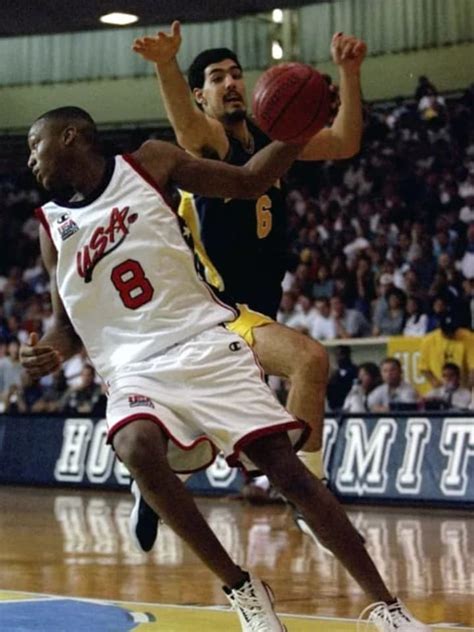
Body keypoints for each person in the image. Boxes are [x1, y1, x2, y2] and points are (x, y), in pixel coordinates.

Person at [21, 106, 429, 631]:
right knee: (133, 446)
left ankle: (386, 607)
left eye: (36, 144)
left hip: (202, 339)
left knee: (287, 471)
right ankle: (242, 588)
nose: (30, 159)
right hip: (132, 369)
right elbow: (65, 325)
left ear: (71, 135)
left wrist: (298, 129)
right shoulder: (52, 226)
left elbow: (250, 181)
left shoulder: (151, 162)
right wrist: (50, 351)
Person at [130, 22, 367, 541]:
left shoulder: (269, 144)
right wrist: (167, 65)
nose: (231, 83)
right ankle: (311, 493)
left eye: (236, 74)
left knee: (223, 433)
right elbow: (187, 127)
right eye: (216, 78)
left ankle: (156, 483)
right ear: (201, 95)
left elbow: (345, 142)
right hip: (214, 312)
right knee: (309, 360)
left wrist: (349, 74)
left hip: (256, 311)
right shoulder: (207, 146)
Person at [419, 312, 474, 389]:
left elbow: (473, 369)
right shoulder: (428, 341)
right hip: (438, 387)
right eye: (446, 332)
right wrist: (437, 385)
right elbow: (424, 368)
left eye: (452, 331)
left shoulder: (469, 337)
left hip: (462, 387)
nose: (450, 334)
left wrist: (468, 389)